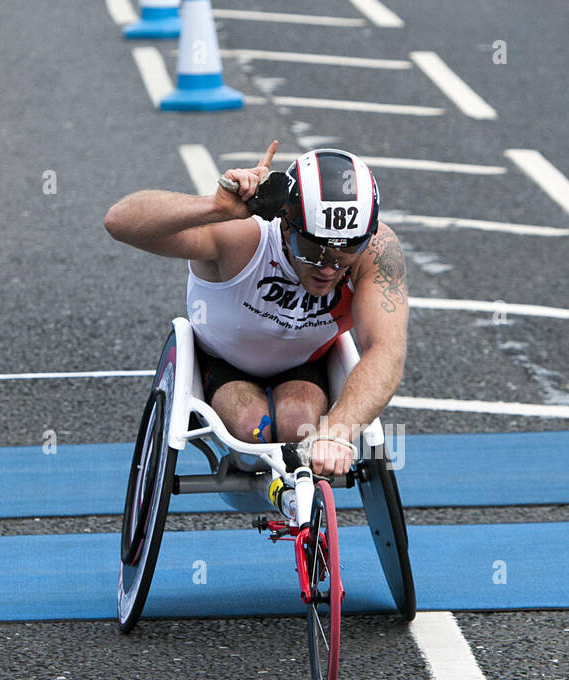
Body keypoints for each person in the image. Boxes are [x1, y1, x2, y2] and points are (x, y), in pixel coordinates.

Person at [103, 140, 407, 478]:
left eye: (344, 252)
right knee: (250, 429)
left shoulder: (378, 251)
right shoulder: (244, 237)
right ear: (286, 225)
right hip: (222, 360)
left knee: (300, 427)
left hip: (306, 363)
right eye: (312, 249)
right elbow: (119, 223)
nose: (328, 268)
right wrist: (214, 209)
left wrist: (337, 432)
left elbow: (386, 350)